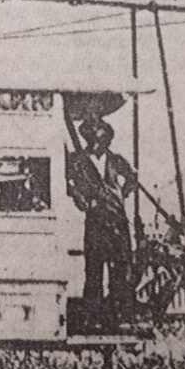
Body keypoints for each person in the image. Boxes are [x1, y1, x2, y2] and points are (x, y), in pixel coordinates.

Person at [66, 118, 136, 323]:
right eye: (95, 138)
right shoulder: (77, 160)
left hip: (117, 220)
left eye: (104, 138)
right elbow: (68, 182)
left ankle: (117, 314)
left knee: (120, 268)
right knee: (94, 269)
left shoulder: (116, 160)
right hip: (95, 221)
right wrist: (80, 198)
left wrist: (121, 194)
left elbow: (132, 178)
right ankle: (92, 315)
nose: (100, 142)